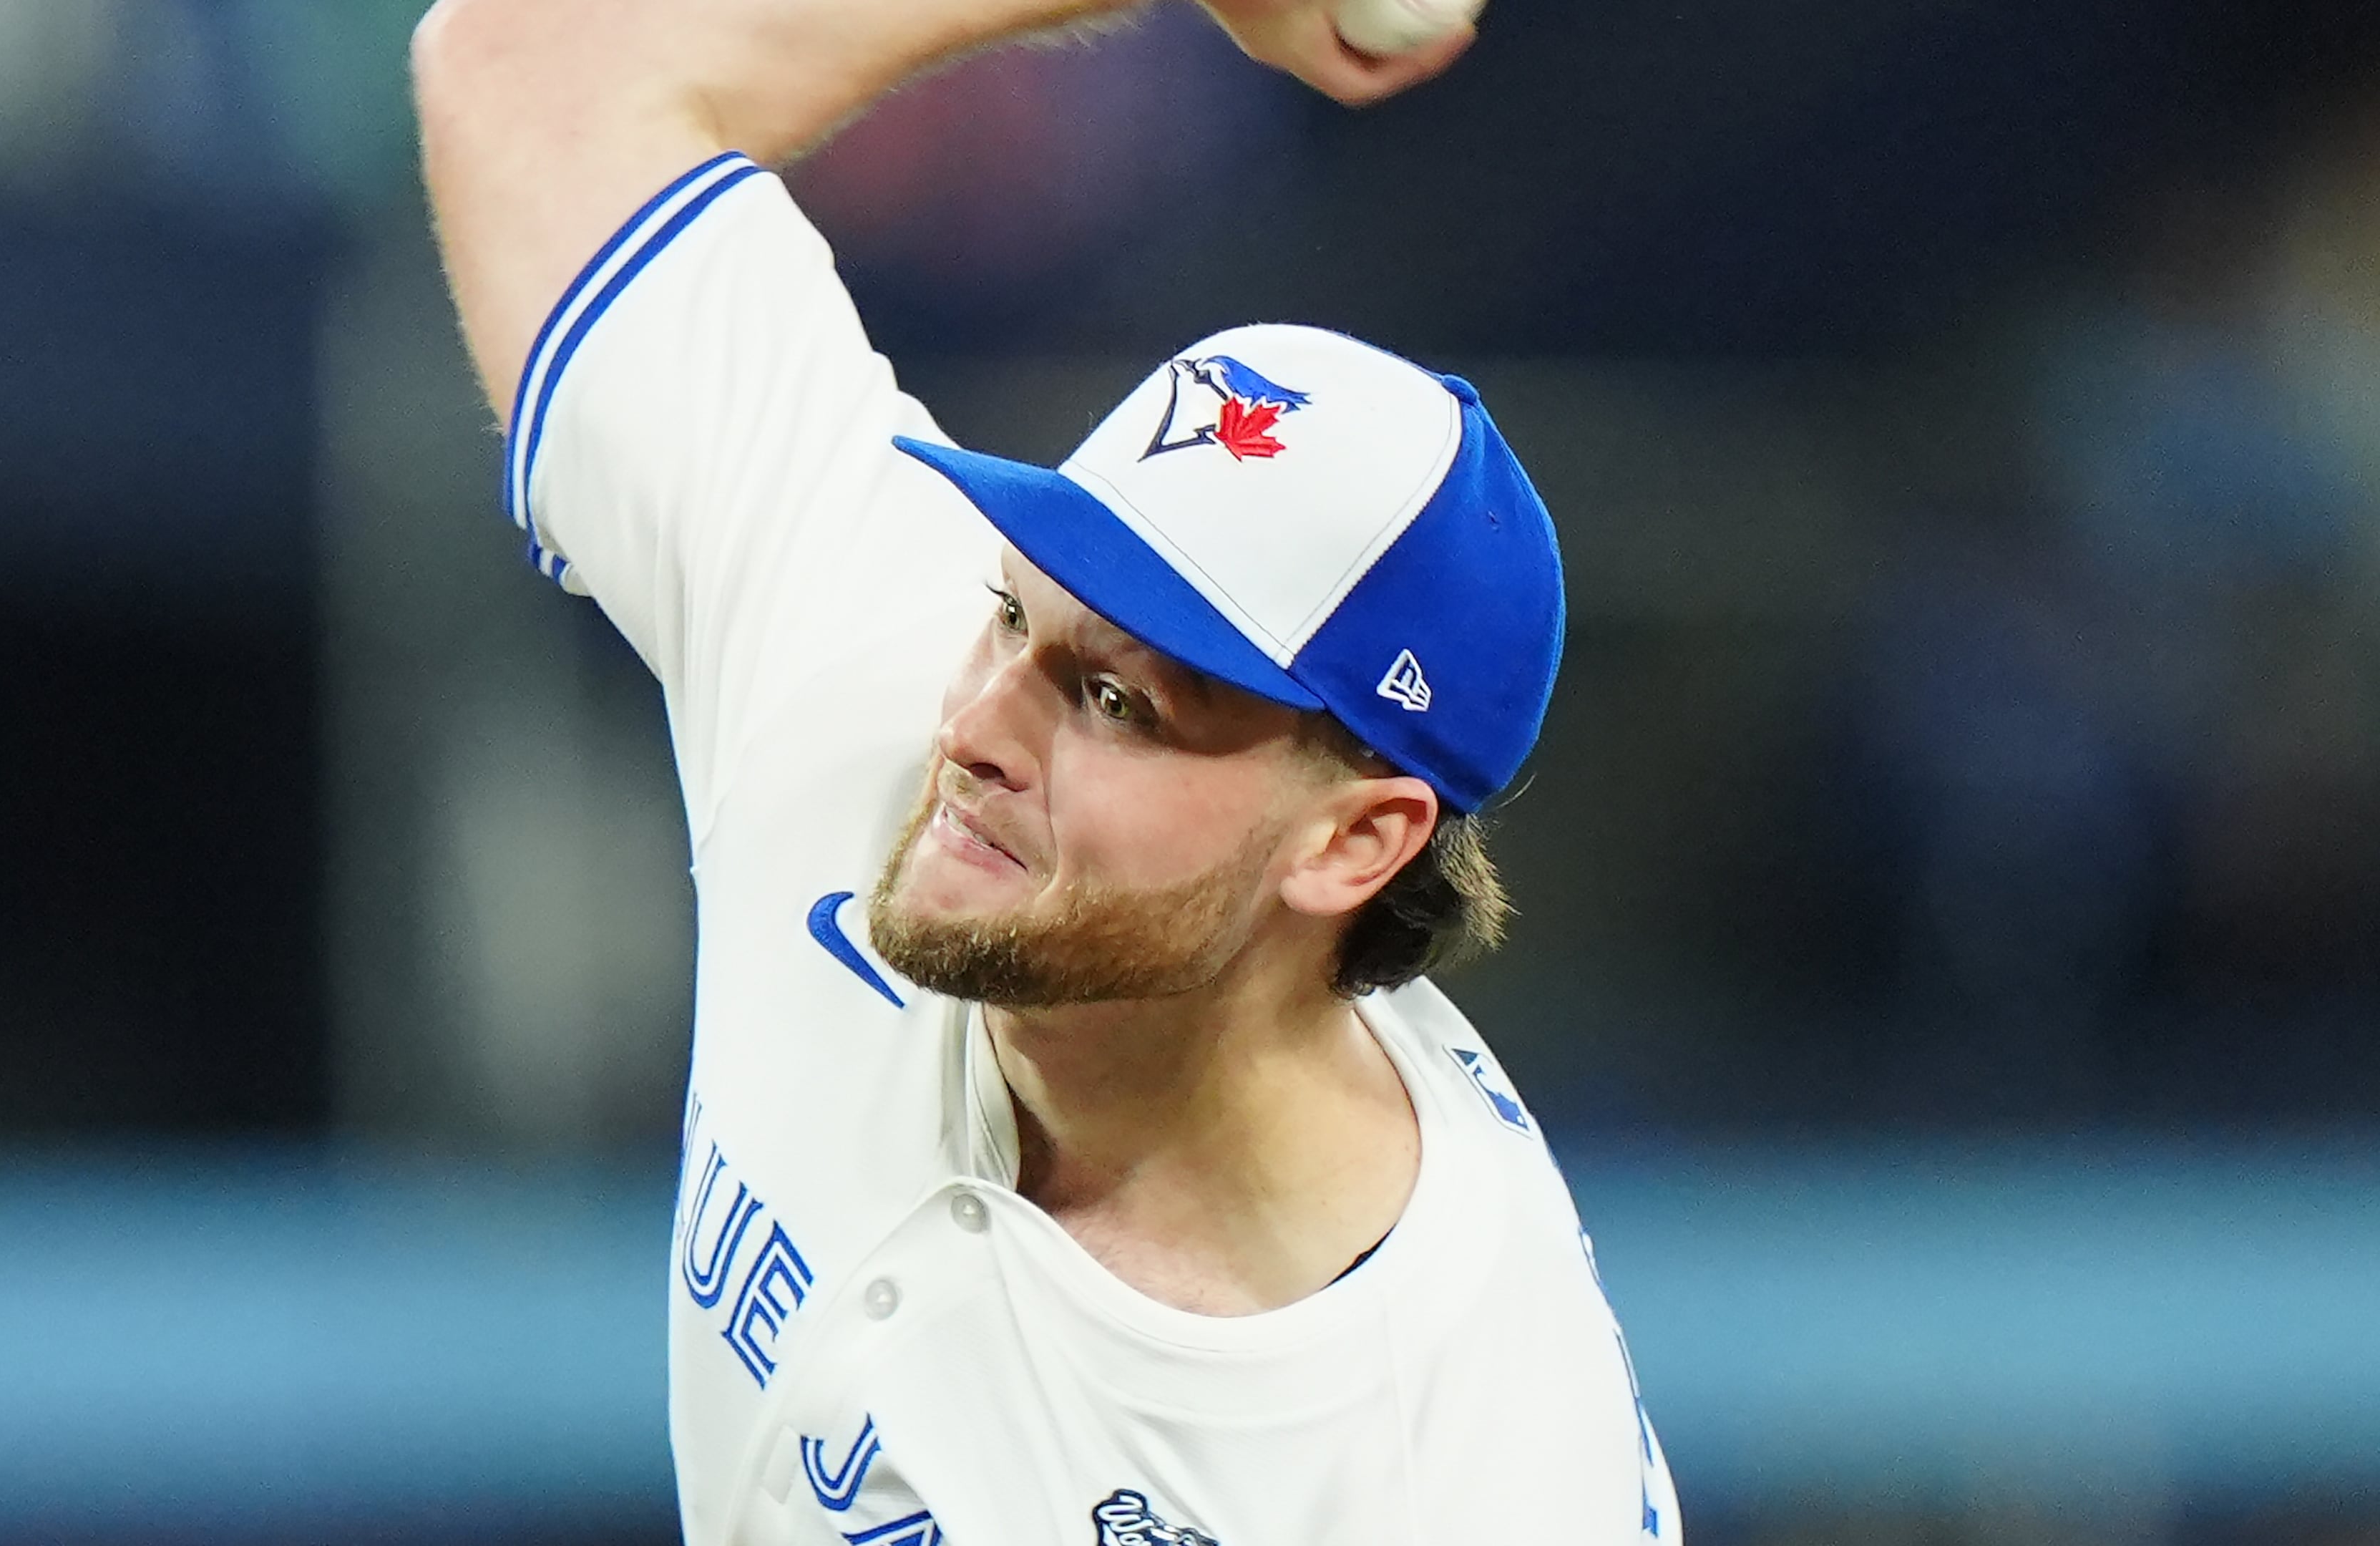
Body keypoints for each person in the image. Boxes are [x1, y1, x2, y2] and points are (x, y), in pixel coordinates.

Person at [411, 0, 1677, 1540]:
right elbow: (533, 68)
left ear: (1356, 845)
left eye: (1115, 702)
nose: (979, 730)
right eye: (1014, 610)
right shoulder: (872, 665)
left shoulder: (1463, 1468)